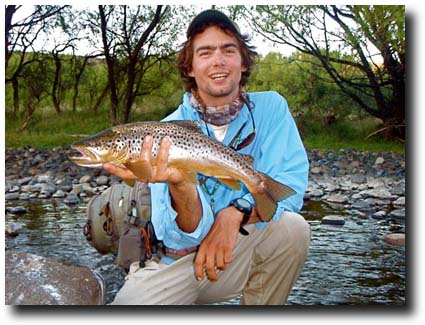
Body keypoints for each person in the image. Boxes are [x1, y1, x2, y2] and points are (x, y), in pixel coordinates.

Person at [104, 9, 310, 305]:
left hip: (236, 251)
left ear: (243, 61)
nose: (218, 61)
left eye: (228, 50)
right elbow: (178, 238)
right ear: (189, 67)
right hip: (174, 263)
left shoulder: (271, 109)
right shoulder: (164, 132)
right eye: (205, 52)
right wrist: (180, 184)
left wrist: (235, 213)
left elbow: (289, 189)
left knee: (293, 229)